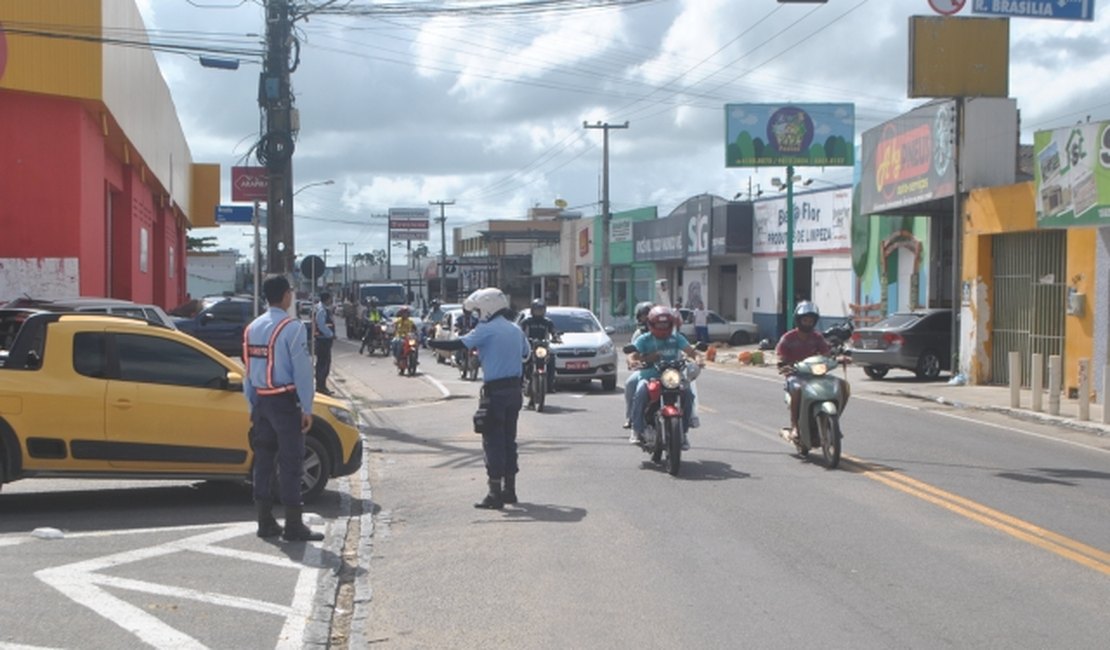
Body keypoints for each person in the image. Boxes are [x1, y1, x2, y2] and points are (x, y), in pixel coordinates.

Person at [427, 288, 530, 510]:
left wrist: (432, 343)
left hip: (496, 392)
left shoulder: (486, 329)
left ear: (487, 308)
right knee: (509, 440)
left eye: (478, 310)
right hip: (515, 392)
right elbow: (526, 354)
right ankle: (510, 490)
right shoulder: (515, 329)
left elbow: (458, 344)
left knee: (493, 441)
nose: (476, 315)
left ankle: (494, 494)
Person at [242, 275, 324, 542]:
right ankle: (293, 524)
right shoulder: (293, 328)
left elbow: (248, 372)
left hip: (261, 401)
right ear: (286, 296)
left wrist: (253, 403)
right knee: (291, 462)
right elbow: (301, 372)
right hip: (285, 402)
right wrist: (307, 407)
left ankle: (264, 521)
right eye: (290, 292)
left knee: (263, 461)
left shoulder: (252, 328)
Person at [629, 306, 701, 449]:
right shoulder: (644, 339)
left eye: (665, 324)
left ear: (671, 324)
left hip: (671, 378)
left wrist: (699, 359)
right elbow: (632, 355)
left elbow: (691, 352)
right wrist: (633, 361)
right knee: (640, 393)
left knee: (687, 394)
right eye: (659, 324)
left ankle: (683, 432)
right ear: (651, 324)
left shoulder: (676, 338)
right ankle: (636, 430)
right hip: (649, 377)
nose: (662, 327)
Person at [776, 301, 833, 443]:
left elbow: (826, 354)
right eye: (805, 320)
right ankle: (795, 426)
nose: (808, 323)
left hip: (814, 375)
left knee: (837, 385)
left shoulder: (817, 337)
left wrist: (837, 359)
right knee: (797, 390)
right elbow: (780, 356)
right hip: (795, 375)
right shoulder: (788, 338)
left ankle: (832, 421)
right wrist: (783, 364)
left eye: (811, 320)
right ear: (798, 320)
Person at [622, 301, 655, 431]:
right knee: (630, 384)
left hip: (667, 371)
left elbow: (680, 350)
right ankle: (631, 417)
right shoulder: (639, 334)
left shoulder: (668, 332)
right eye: (644, 315)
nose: (647, 318)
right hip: (646, 369)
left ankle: (689, 418)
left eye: (650, 315)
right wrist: (633, 361)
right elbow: (632, 353)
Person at [518, 299, 560, 399]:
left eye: (541, 310)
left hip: (542, 348)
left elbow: (553, 331)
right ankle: (519, 384)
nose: (539, 312)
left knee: (551, 360)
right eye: (537, 309)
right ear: (532, 310)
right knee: (521, 362)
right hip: (529, 347)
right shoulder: (527, 321)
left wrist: (556, 337)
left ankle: (550, 384)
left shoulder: (547, 322)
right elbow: (518, 331)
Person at [313, 292, 335, 395]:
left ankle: (321, 386)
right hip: (323, 340)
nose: (331, 301)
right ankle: (321, 387)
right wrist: (330, 334)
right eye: (330, 299)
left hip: (321, 340)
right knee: (324, 364)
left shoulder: (318, 308)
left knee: (322, 364)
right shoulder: (321, 310)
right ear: (326, 299)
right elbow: (321, 325)